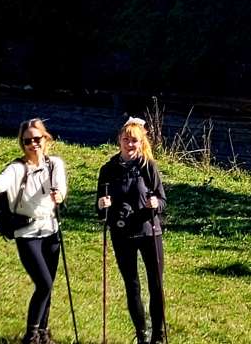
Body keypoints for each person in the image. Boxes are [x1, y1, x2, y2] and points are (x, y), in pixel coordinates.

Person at [0, 119, 69, 344]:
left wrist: (59, 196)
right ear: (22, 144)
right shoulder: (16, 168)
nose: (33, 144)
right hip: (27, 232)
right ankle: (31, 335)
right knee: (43, 283)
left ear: (46, 139)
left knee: (49, 285)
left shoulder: (55, 164)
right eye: (27, 141)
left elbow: (61, 188)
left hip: (51, 230)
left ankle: (44, 333)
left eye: (37, 139)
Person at [98, 117, 168, 344]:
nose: (129, 144)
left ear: (141, 142)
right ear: (119, 140)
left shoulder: (148, 167)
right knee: (132, 285)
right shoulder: (108, 170)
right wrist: (102, 205)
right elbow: (99, 209)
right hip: (122, 234)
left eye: (134, 140)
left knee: (155, 285)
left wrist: (156, 204)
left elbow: (162, 199)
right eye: (126, 139)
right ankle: (142, 335)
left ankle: (158, 335)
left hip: (150, 231)